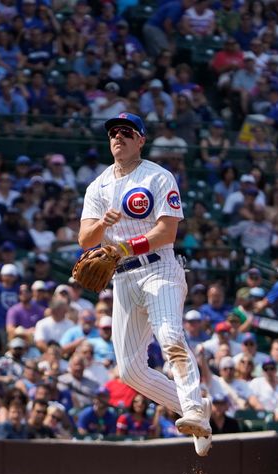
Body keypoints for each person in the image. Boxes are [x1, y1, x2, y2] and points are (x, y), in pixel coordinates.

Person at [78, 112, 211, 456]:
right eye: (112, 133)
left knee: (169, 336)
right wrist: (101, 227)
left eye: (125, 132)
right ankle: (194, 407)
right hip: (122, 277)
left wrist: (123, 246)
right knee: (130, 371)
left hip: (160, 270)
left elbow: (167, 232)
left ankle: (194, 409)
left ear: (141, 140)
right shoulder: (98, 186)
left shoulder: (158, 177)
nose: (117, 137)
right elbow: (85, 239)